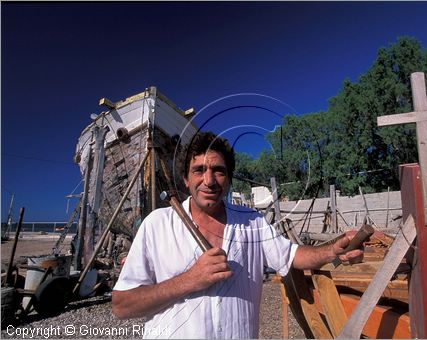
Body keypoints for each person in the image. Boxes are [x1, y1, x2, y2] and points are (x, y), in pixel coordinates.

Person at [112, 131, 363, 339]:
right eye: (198, 170)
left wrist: (332, 250)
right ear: (186, 180)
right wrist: (191, 279)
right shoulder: (156, 225)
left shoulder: (252, 222)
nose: (209, 180)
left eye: (218, 171)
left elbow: (292, 256)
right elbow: (122, 305)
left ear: (229, 179)